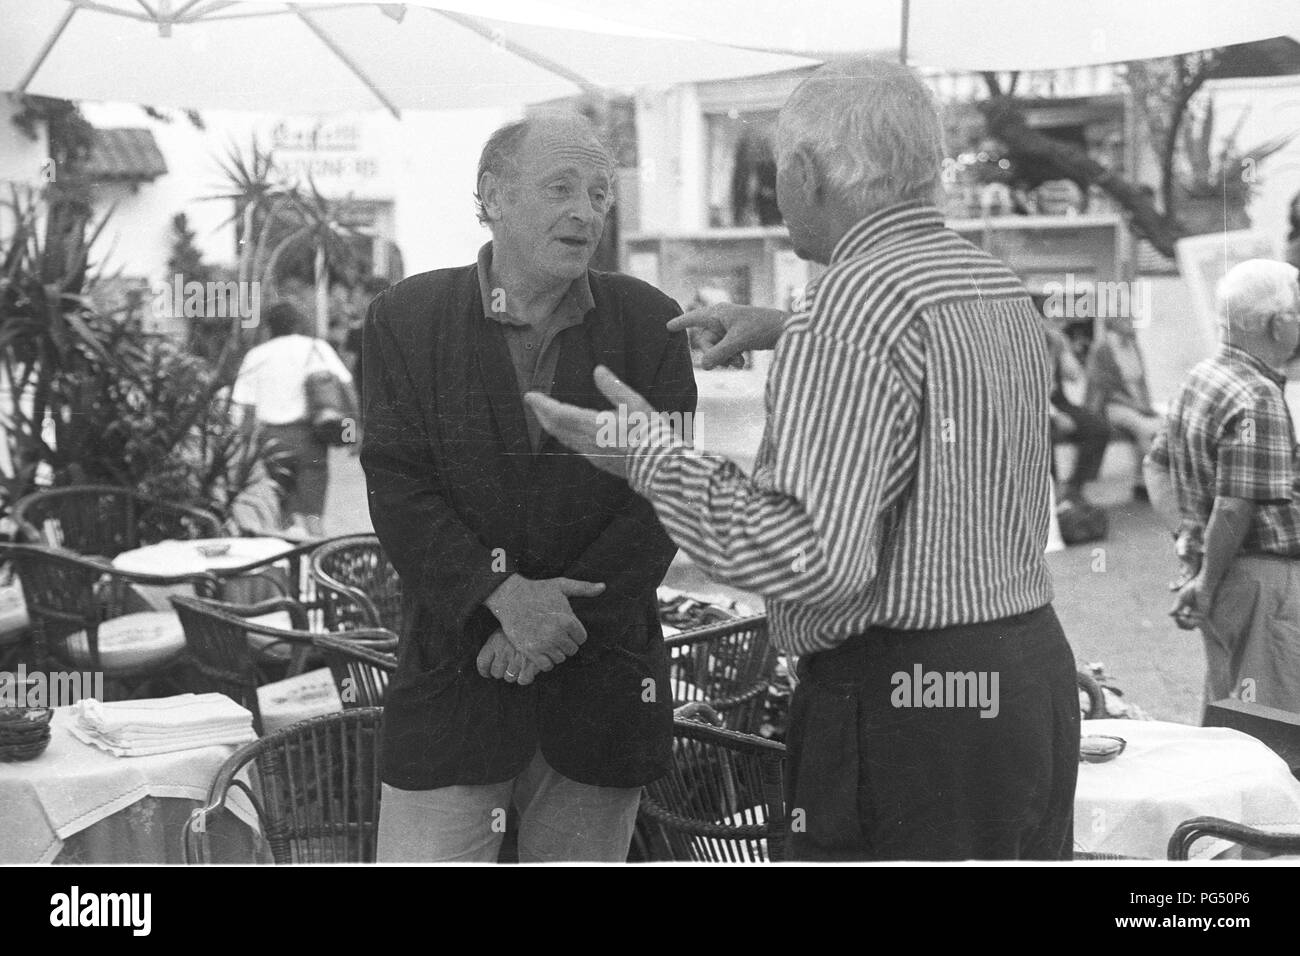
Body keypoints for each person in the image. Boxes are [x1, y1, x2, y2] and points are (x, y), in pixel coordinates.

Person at [529, 58, 1080, 861]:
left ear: (804, 172)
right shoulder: (989, 282)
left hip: (901, 704)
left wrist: (649, 458)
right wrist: (788, 328)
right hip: (1022, 676)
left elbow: (812, 557)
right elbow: (932, 378)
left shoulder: (848, 306)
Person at [361, 112, 696, 862]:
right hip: (455, 681)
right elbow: (398, 488)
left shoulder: (649, 324)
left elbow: (662, 502)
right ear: (494, 195)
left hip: (599, 689)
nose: (587, 210)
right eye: (562, 188)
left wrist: (547, 627)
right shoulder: (407, 318)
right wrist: (503, 600)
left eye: (601, 193)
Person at [1144, 259, 1300, 719]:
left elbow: (1157, 468)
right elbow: (1234, 509)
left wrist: (1191, 548)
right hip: (1260, 580)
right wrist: (1206, 580)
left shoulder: (1203, 376)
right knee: (1273, 728)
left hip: (1224, 571)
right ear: (1277, 324)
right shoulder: (1259, 395)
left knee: (1232, 709)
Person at [232, 300, 357, 538]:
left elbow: (246, 411)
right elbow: (346, 387)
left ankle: (290, 564)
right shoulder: (315, 347)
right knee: (313, 514)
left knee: (281, 513)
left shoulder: (255, 356)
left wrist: (243, 454)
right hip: (311, 441)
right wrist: (352, 432)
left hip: (271, 443)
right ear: (297, 324)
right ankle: (317, 560)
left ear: (269, 327)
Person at [1087, 316, 1160, 500]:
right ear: (1115, 324)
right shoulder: (1103, 349)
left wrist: (1146, 405)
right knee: (1143, 428)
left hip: (1137, 405)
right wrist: (1137, 406)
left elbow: (1141, 381)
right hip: (1114, 406)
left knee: (1162, 425)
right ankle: (1158, 479)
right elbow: (1107, 389)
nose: (1132, 324)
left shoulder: (1133, 346)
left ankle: (1142, 482)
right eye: (1126, 321)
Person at [1044, 318, 1112, 503]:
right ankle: (1052, 493)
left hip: (1058, 402)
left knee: (1099, 428)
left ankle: (1075, 488)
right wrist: (1055, 415)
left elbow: (1073, 375)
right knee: (1043, 431)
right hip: (1035, 407)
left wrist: (1064, 348)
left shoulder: (1054, 343)